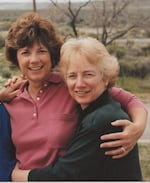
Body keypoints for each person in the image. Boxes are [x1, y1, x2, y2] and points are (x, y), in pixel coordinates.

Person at [0, 12, 147, 180]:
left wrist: (138, 128)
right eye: (25, 52)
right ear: (16, 58)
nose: (34, 59)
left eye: (41, 50)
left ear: (52, 54)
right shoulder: (10, 99)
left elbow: (130, 100)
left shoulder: (72, 86)